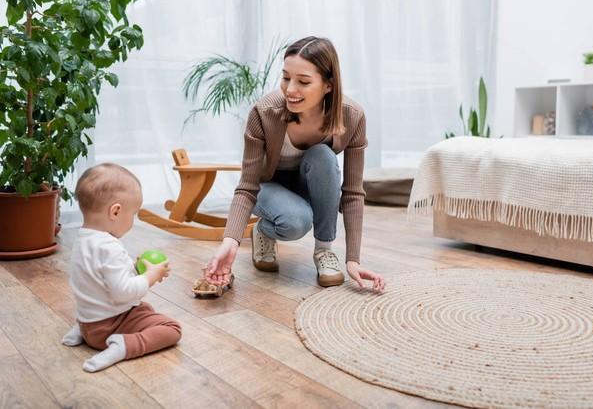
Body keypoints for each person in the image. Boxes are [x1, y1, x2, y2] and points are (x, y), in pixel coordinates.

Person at [205, 36, 385, 292]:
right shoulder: (264, 113)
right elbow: (247, 186)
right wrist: (230, 241)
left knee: (323, 155)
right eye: (286, 77)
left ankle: (324, 251)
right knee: (295, 222)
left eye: (303, 81)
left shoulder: (352, 117)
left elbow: (353, 192)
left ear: (328, 86)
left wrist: (353, 259)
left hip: (309, 187)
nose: (290, 89)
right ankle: (264, 232)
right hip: (268, 189)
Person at [61, 163, 181, 372]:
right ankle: (123, 346)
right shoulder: (109, 247)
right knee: (171, 328)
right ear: (115, 211)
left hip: (90, 322)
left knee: (145, 310)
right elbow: (122, 293)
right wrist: (150, 276)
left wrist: (134, 269)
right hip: (109, 326)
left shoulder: (83, 239)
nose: (132, 220)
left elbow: (98, 281)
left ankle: (81, 329)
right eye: (133, 213)